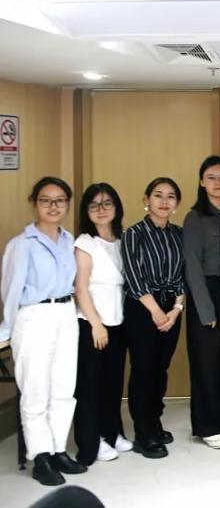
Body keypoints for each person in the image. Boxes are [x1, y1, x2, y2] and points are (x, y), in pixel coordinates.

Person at [0, 177, 87, 485]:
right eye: (46, 200)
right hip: (34, 316)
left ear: (67, 204)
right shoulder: (22, 244)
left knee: (63, 388)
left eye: (60, 200)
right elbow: (11, 291)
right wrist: (6, 331)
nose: (53, 206)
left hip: (65, 313)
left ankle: (58, 449)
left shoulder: (68, 240)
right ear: (34, 203)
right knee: (35, 390)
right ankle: (40, 457)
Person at [122, 176, 185, 459]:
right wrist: (157, 311)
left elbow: (183, 275)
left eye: (170, 196)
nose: (164, 201)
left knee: (161, 368)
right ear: (146, 200)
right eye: (158, 195)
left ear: (176, 203)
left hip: (172, 309)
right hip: (142, 308)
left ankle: (155, 422)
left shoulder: (179, 234)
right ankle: (143, 433)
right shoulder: (134, 234)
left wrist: (176, 309)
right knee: (144, 370)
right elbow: (134, 278)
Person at [183, 156, 220, 450]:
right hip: (207, 291)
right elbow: (192, 266)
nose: (217, 182)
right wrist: (205, 309)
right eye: (211, 177)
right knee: (207, 361)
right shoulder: (195, 217)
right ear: (201, 182)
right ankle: (207, 425)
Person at [72, 183, 131, 465]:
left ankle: (111, 432)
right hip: (92, 323)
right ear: (86, 211)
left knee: (112, 383)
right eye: (94, 205)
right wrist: (96, 324)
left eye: (107, 203)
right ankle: (90, 442)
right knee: (90, 386)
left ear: (116, 207)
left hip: (117, 321)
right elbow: (81, 287)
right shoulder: (85, 243)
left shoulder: (122, 240)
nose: (101, 209)